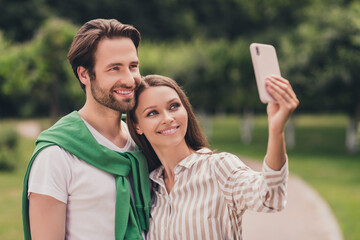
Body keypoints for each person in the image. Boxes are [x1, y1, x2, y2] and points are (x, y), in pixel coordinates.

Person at [22, 19, 151, 240]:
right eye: (114, 68)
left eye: (133, 66)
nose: (129, 79)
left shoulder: (143, 140)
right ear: (84, 75)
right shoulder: (55, 156)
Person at [126, 74, 299, 239]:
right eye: (152, 113)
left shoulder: (219, 168)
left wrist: (276, 130)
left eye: (174, 106)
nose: (167, 118)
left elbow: (271, 197)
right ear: (137, 126)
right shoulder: (149, 186)